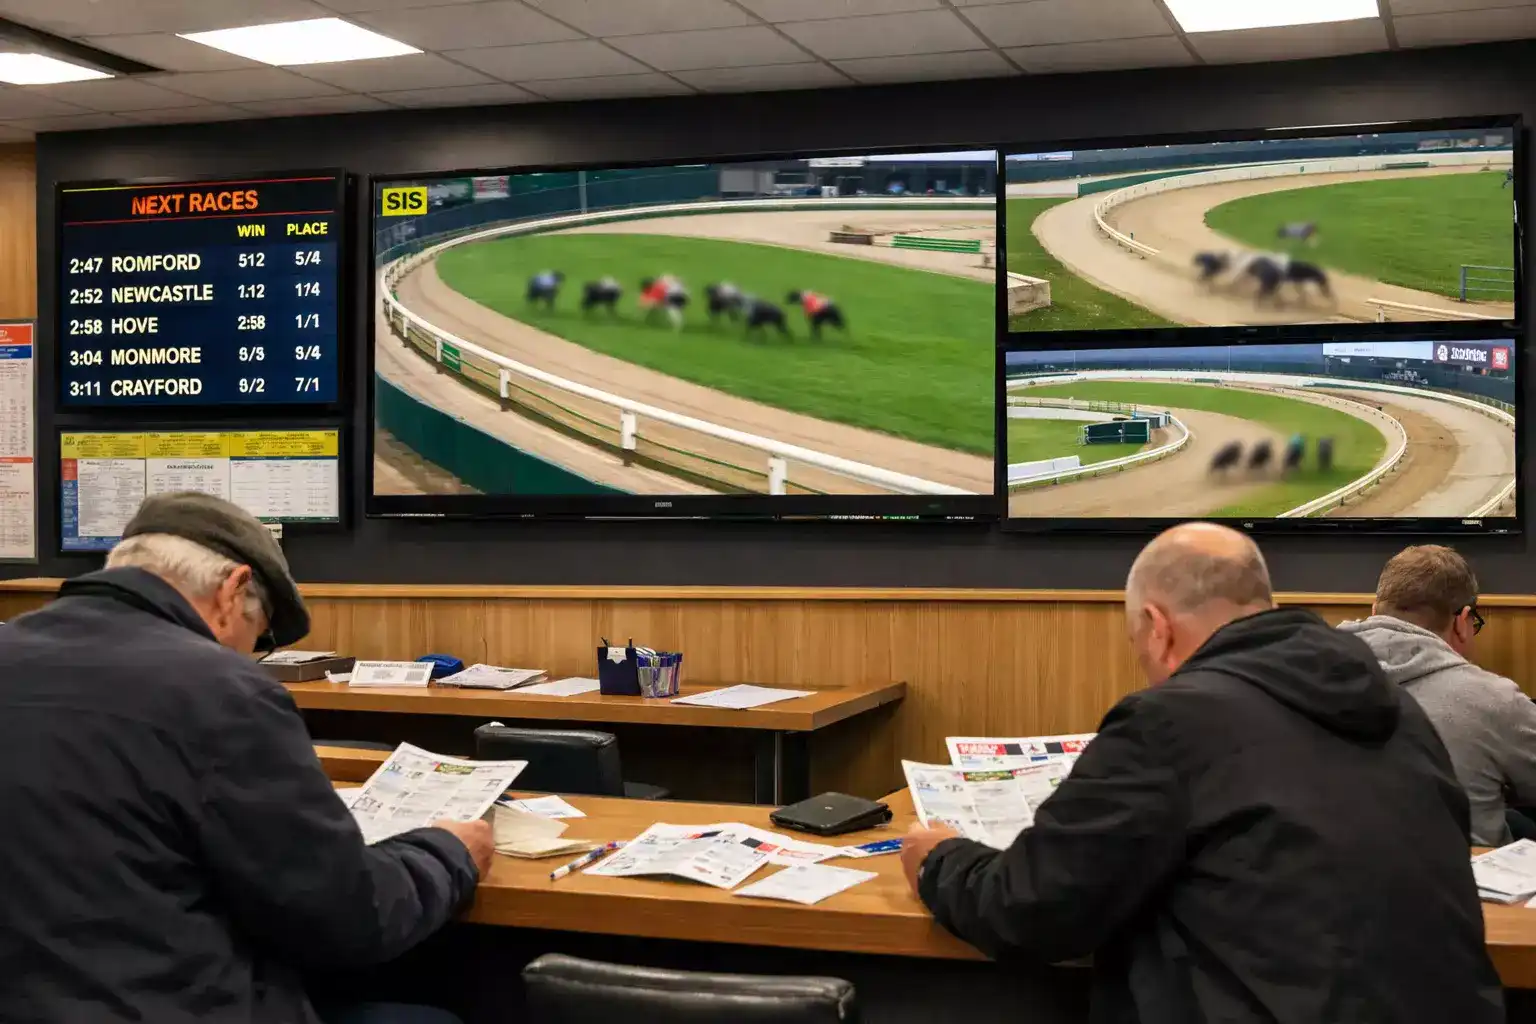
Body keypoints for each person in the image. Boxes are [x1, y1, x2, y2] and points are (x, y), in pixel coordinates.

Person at [902, 522, 1502, 1023]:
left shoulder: (1168, 721)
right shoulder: (1398, 710)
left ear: (1158, 629)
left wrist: (939, 859)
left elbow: (1031, 908)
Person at [0, 492, 493, 1024]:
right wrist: (448, 852)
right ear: (233, 591)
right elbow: (348, 919)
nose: (246, 655)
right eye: (256, 639)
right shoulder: (219, 690)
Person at [1340, 544, 1536, 846]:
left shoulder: (1296, 675)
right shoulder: (1494, 698)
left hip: (1328, 875)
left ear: (1375, 611)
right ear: (1462, 621)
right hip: (1458, 882)